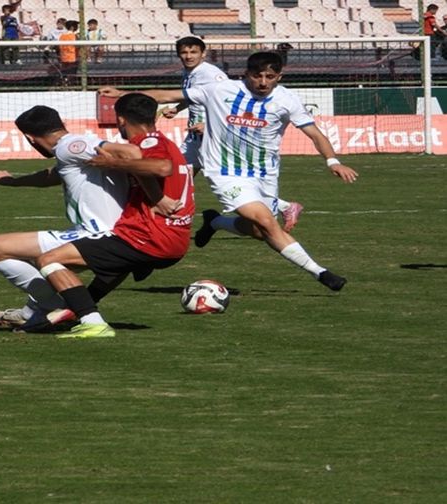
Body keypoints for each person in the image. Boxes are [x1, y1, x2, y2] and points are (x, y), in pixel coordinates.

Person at [107, 52, 358, 292]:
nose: (263, 82)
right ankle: (321, 272)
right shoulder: (220, 90)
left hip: (265, 174)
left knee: (260, 231)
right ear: (246, 74)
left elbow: (314, 134)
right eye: (257, 76)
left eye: (270, 77)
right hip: (225, 173)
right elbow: (165, 95)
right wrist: (122, 94)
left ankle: (215, 222)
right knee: (266, 222)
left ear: (279, 77)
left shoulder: (287, 100)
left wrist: (333, 162)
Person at [32, 93, 196, 339]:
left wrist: (112, 164)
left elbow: (161, 167)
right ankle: (70, 310)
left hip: (148, 238)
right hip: (170, 238)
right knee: (108, 265)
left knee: (49, 260)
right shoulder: (167, 143)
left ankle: (89, 320)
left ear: (120, 120)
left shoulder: (148, 142)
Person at [104, 37, 305, 232]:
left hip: (210, 137)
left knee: (178, 176)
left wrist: (208, 125)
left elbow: (227, 101)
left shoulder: (211, 74)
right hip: (196, 137)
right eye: (184, 52)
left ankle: (166, 218)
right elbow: (195, 96)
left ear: (203, 54)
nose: (188, 56)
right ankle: (175, 217)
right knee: (180, 176)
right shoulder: (190, 72)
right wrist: (178, 108)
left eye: (193, 52)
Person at [0, 105, 131, 330]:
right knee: (46, 263)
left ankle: (53, 305)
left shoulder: (70, 146)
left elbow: (129, 152)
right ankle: (31, 313)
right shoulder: (70, 151)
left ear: (30, 138)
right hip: (109, 231)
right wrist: (12, 181)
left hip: (97, 233)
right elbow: (52, 176)